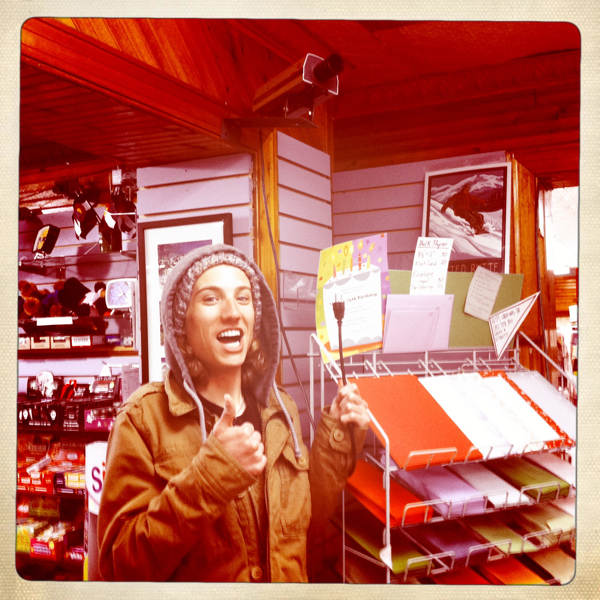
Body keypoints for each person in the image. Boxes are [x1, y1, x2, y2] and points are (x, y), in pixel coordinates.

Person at [97, 243, 370, 582]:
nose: (232, 312)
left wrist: (336, 438)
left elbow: (304, 532)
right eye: (211, 298)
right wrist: (209, 479)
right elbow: (119, 570)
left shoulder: (280, 408)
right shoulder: (143, 420)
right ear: (181, 323)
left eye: (243, 298)